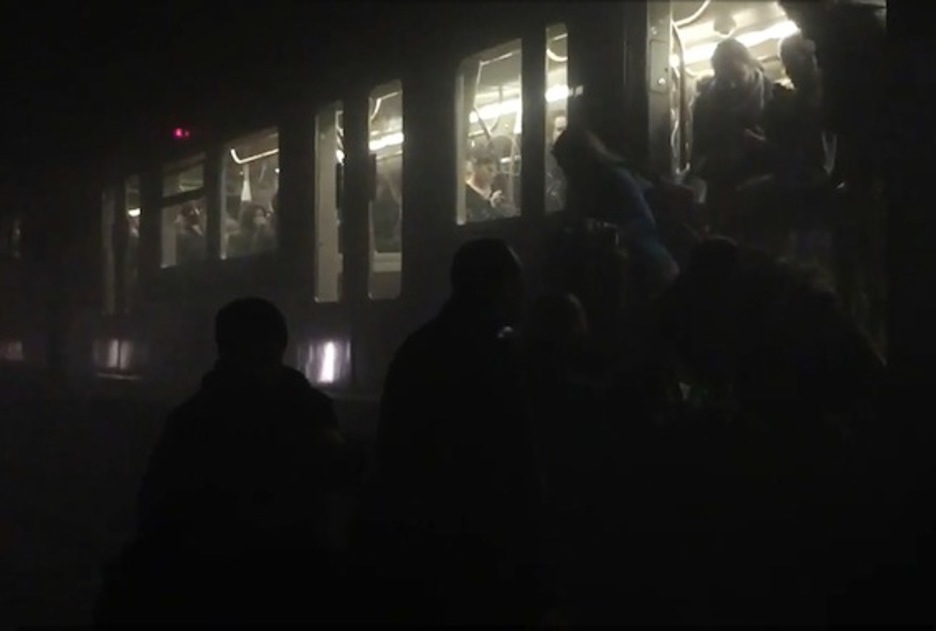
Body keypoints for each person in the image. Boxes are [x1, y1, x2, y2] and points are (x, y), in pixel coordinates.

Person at [96, 298, 357, 623]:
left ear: (222, 348)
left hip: (211, 584)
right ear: (281, 345)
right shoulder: (312, 411)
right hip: (295, 579)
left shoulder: (192, 419)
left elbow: (158, 509)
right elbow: (337, 484)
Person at [364, 238, 546, 625]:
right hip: (475, 536)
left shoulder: (423, 346)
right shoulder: (494, 353)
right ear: (497, 286)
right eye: (516, 282)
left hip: (430, 537)